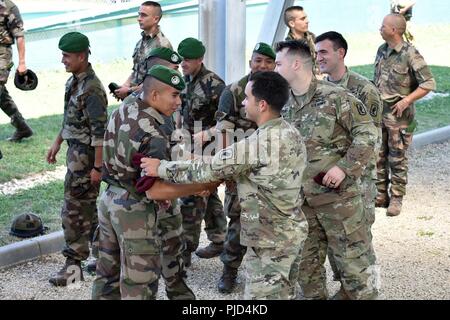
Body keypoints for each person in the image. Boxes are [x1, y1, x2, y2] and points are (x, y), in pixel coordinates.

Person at [141, 71, 308, 300]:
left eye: (247, 97)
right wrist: (190, 156)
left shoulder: (256, 144)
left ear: (261, 105)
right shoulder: (290, 132)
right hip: (290, 231)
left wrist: (160, 168)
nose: (242, 102)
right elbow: (225, 163)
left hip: (270, 240)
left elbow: (211, 170)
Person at [91, 65, 219, 300]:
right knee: (139, 284)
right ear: (154, 95)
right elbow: (155, 191)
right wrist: (199, 187)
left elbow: (176, 154)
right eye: (174, 95)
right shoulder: (153, 131)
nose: (179, 102)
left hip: (109, 200)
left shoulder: (126, 108)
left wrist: (210, 164)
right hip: (134, 213)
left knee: (106, 276)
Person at [275, 40, 379, 300]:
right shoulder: (283, 103)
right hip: (301, 203)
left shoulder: (336, 97)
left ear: (296, 64)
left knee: (356, 270)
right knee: (306, 270)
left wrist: (344, 168)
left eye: (278, 63)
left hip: (338, 201)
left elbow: (367, 134)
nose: (274, 69)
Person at [315, 31, 383, 295]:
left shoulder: (363, 89)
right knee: (337, 241)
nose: (318, 57)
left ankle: (371, 290)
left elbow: (372, 139)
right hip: (330, 181)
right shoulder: (320, 89)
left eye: (324, 52)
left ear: (340, 53)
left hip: (358, 180)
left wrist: (346, 169)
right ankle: (347, 288)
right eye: (317, 52)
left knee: (361, 241)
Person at [214, 42, 276, 294]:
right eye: (257, 60)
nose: (262, 65)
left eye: (267, 62)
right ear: (250, 61)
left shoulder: (279, 90)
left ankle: (269, 273)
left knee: (275, 219)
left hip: (272, 168)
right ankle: (230, 270)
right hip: (242, 169)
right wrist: (227, 169)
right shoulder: (234, 91)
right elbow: (223, 133)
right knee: (240, 220)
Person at [47, 32, 108, 286]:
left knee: (73, 212)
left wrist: (97, 167)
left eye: (66, 56)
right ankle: (102, 259)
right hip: (76, 154)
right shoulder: (74, 82)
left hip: (85, 159)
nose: (63, 60)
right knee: (87, 211)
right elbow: (70, 119)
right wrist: (58, 142)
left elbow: (99, 134)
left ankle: (73, 268)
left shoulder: (92, 89)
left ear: (81, 56)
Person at [374, 14, 436, 216]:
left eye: (383, 26)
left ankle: (397, 198)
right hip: (380, 116)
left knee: (397, 158)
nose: (379, 28)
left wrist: (407, 100)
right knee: (379, 156)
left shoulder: (410, 53)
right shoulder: (381, 51)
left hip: (400, 120)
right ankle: (380, 195)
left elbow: (428, 83)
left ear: (393, 30)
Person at [176, 37, 227, 266]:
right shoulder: (185, 80)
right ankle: (219, 239)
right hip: (189, 147)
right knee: (209, 194)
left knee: (192, 197)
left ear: (200, 59)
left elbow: (226, 122)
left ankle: (185, 251)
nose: (183, 63)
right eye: (181, 59)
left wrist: (207, 137)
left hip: (207, 149)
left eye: (187, 60)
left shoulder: (214, 84)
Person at [114, 1, 172, 101]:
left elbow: (156, 81)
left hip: (152, 102)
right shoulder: (140, 43)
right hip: (137, 98)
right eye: (139, 14)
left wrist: (128, 91)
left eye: (144, 15)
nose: (139, 19)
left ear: (156, 19)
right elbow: (136, 71)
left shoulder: (162, 46)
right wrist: (124, 86)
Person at [0, 0, 33, 142]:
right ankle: (22, 127)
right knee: (1, 95)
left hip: (2, 52)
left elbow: (19, 35)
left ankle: (22, 127)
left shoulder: (9, 6)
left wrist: (22, 63)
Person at [283, 5, 318, 75]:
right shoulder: (288, 47)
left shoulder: (312, 37)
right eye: (303, 19)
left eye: (306, 18)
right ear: (292, 23)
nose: (307, 21)